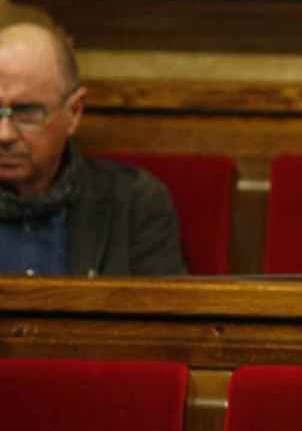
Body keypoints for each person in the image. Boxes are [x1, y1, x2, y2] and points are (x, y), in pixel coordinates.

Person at [0, 21, 186, 276]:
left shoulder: (134, 203)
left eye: (26, 112)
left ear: (74, 112)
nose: (4, 134)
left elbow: (164, 312)